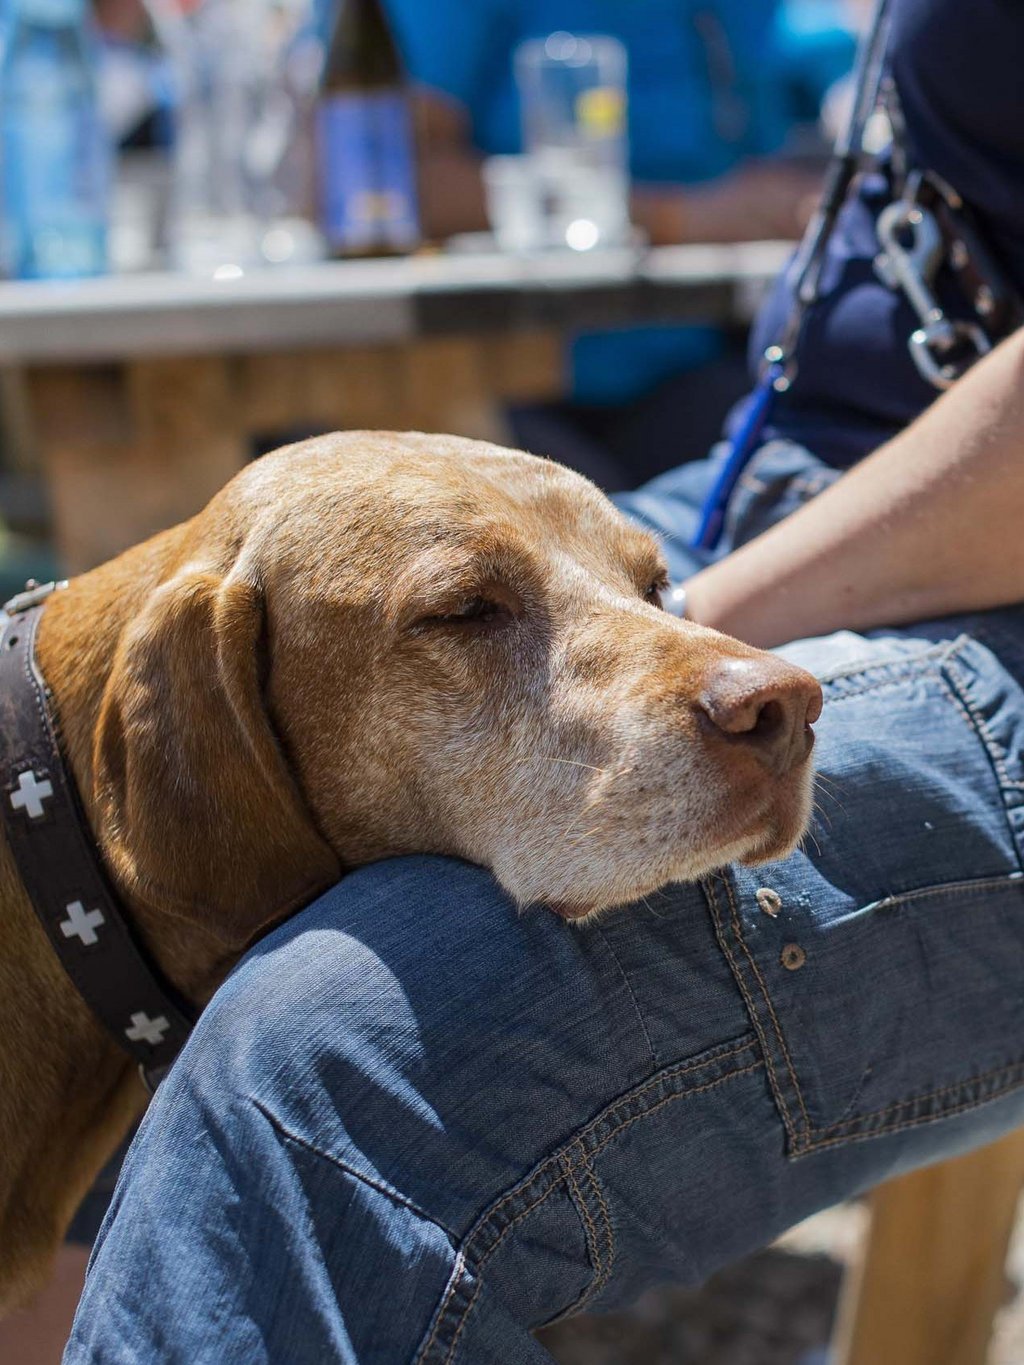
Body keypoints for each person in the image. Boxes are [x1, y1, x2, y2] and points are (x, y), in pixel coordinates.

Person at [60, 0, 1024, 1359]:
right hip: (792, 479)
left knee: (325, 1051)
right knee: (71, 886)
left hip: (948, 572)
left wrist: (690, 631)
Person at [383, 0, 856, 487]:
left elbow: (840, 73)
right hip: (502, 387)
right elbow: (385, 174)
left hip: (701, 363)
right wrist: (675, 218)